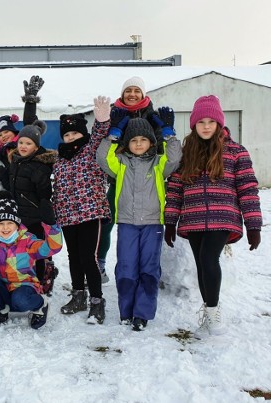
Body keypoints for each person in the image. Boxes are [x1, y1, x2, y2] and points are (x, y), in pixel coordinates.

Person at [164, 95, 262, 338]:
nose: (206, 126)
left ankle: (214, 312)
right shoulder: (186, 155)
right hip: (193, 216)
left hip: (223, 216)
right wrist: (170, 222)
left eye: (211, 121)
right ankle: (209, 312)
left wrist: (253, 225)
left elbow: (248, 189)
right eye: (201, 122)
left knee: (209, 260)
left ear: (219, 123)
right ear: (194, 125)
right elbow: (175, 189)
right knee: (200, 264)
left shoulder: (236, 152)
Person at [96, 114, 181, 331]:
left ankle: (141, 314)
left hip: (153, 224)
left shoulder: (158, 164)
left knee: (149, 270)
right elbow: (102, 158)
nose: (139, 143)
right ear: (128, 144)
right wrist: (111, 137)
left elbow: (174, 158)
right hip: (127, 223)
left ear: (152, 142)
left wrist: (169, 135)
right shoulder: (121, 164)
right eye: (134, 140)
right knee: (125, 268)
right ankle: (126, 311)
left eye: (143, 140)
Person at [0, 191, 63, 330]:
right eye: (1, 223)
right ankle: (0, 312)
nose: (5, 228)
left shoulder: (27, 241)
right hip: (3, 288)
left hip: (24, 289)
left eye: (9, 223)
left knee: (19, 300)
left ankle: (40, 305)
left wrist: (50, 224)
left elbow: (52, 247)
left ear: (17, 225)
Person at [98, 76, 168, 282]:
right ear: (122, 93)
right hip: (119, 176)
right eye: (128, 90)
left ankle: (149, 269)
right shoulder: (114, 114)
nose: (132, 94)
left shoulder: (153, 116)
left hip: (148, 177)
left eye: (137, 90)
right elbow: (103, 144)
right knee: (107, 220)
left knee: (151, 225)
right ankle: (99, 264)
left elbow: (161, 146)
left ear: (143, 94)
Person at [52, 96, 111, 325]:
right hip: (67, 214)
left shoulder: (91, 149)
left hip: (90, 212)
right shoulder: (59, 159)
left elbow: (99, 133)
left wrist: (102, 119)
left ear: (82, 134)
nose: (70, 138)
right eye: (66, 135)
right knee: (74, 257)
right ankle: (78, 296)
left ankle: (97, 301)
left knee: (89, 257)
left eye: (74, 134)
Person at [0, 120, 58, 295]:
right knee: (22, 254)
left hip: (35, 218)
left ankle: (41, 285)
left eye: (29, 143)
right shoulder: (17, 161)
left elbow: (44, 194)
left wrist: (44, 213)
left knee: (38, 254)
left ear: (36, 146)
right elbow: (11, 184)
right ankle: (24, 284)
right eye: (22, 142)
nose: (24, 146)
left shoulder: (40, 166)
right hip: (21, 217)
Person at [0, 75, 44, 166]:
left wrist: (30, 102)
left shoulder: (23, 143)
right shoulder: (0, 154)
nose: (3, 136)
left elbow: (30, 123)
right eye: (0, 135)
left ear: (14, 132)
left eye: (6, 131)